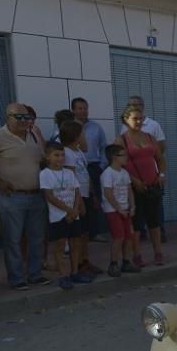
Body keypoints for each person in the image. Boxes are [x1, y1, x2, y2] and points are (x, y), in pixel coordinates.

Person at [0, 102, 48, 291]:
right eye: (19, 117)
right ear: (7, 117)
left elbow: (44, 159)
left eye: (27, 117)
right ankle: (16, 278)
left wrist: (40, 137)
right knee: (13, 240)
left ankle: (35, 274)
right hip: (12, 197)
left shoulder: (33, 134)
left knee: (37, 238)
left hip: (36, 195)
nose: (25, 121)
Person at [114, 106, 165, 267]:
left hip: (152, 184)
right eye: (135, 118)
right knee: (136, 223)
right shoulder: (121, 140)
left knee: (154, 222)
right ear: (126, 120)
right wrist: (134, 180)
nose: (138, 121)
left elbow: (160, 158)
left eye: (141, 118)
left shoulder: (150, 137)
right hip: (132, 187)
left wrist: (161, 175)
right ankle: (136, 254)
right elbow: (118, 164)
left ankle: (158, 253)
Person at [39, 142, 89, 291]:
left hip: (73, 215)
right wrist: (68, 210)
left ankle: (74, 272)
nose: (60, 158)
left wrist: (75, 209)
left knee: (75, 243)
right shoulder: (45, 174)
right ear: (48, 157)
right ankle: (63, 275)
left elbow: (77, 192)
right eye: (56, 155)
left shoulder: (69, 173)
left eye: (62, 155)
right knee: (60, 245)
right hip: (58, 216)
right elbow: (49, 196)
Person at [122, 95, 168, 243]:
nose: (134, 106)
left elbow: (161, 149)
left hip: (152, 177)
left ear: (143, 105)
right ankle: (139, 237)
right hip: (134, 180)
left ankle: (160, 233)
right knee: (136, 212)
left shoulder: (153, 125)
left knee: (155, 210)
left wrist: (160, 173)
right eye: (130, 104)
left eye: (136, 104)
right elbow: (122, 159)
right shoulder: (123, 131)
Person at [59, 120, 100, 279]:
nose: (85, 137)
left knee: (85, 232)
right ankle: (77, 266)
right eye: (82, 134)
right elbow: (71, 179)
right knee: (78, 233)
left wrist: (93, 194)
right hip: (77, 198)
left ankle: (85, 261)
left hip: (86, 194)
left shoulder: (78, 151)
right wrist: (80, 201)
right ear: (75, 136)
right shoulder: (67, 153)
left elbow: (85, 175)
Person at [71, 97, 109, 241]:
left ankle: (94, 232)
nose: (83, 111)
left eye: (85, 108)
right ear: (73, 110)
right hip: (74, 167)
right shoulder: (69, 127)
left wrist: (101, 166)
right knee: (78, 200)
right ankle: (81, 233)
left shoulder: (96, 127)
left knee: (95, 201)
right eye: (80, 108)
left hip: (93, 167)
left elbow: (104, 147)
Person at [100, 144, 140, 277]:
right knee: (119, 237)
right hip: (113, 210)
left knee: (129, 236)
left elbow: (129, 191)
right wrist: (118, 209)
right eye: (123, 155)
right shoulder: (108, 173)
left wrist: (132, 206)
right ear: (114, 157)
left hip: (125, 208)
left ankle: (126, 261)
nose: (126, 157)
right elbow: (108, 193)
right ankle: (113, 263)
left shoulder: (124, 173)